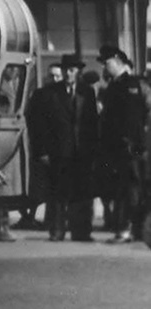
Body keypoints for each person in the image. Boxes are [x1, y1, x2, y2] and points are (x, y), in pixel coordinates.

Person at [95, 45, 146, 243]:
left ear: (118, 61)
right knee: (122, 188)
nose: (105, 68)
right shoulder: (114, 86)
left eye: (107, 63)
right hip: (116, 148)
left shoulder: (136, 84)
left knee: (131, 188)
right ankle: (128, 228)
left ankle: (129, 228)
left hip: (132, 148)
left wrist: (138, 141)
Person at [26, 59, 76, 241]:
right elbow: (36, 125)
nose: (55, 78)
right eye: (52, 75)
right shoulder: (41, 95)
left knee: (70, 191)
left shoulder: (72, 92)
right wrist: (41, 151)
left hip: (73, 151)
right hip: (54, 151)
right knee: (55, 193)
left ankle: (75, 228)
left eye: (58, 75)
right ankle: (56, 229)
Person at [64, 56, 101, 242]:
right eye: (66, 70)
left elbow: (92, 122)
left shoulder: (87, 92)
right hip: (66, 150)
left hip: (84, 150)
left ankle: (84, 231)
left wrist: (93, 148)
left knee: (85, 192)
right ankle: (70, 228)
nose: (68, 74)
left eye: (71, 70)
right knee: (70, 191)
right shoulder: (58, 92)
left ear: (78, 73)